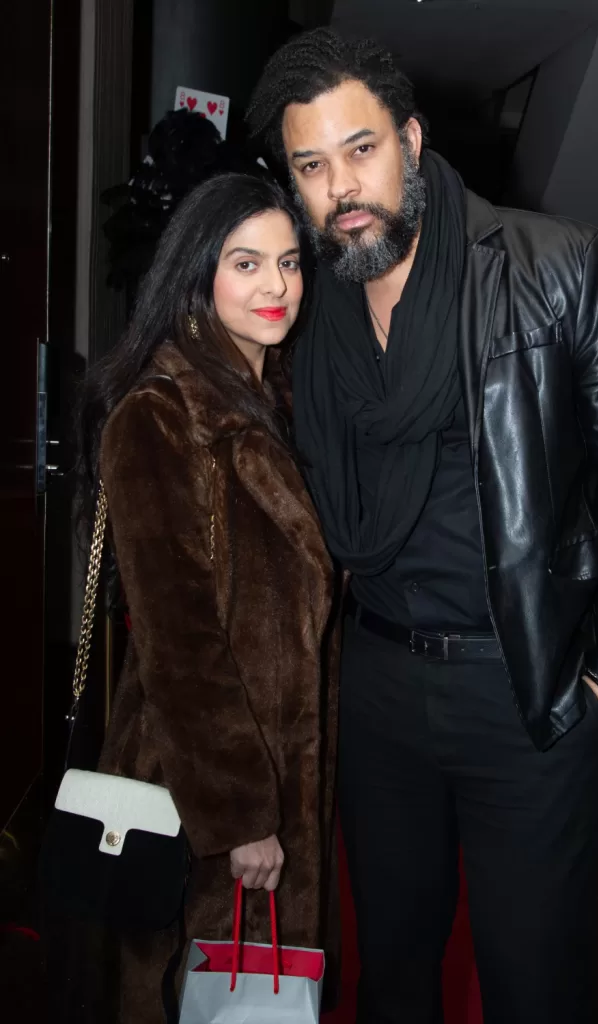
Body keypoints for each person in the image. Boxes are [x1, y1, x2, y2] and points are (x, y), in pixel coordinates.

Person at [246, 29, 598, 1024]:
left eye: (359, 150)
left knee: (533, 981)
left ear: (408, 137)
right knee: (390, 974)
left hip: (523, 685)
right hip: (376, 689)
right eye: (310, 166)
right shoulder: (306, 308)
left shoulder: (555, 264)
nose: (339, 186)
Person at [78, 172, 339, 1022]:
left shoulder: (283, 404)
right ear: (198, 273)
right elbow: (178, 642)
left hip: (281, 776)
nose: (276, 286)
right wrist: (239, 817)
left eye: (290, 263)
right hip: (196, 798)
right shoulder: (159, 416)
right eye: (246, 263)